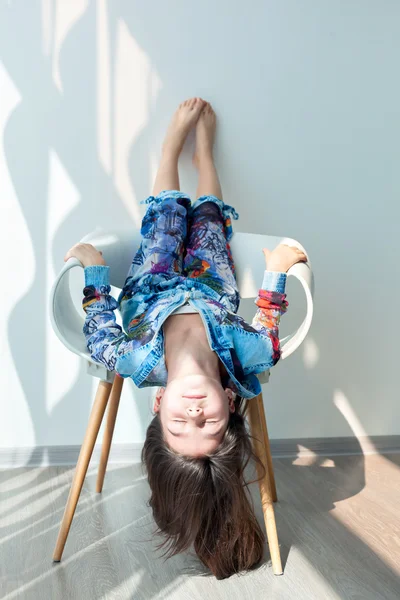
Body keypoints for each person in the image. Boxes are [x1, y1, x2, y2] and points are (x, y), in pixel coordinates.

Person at [65, 97, 307, 578]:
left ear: (158, 409)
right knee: (211, 217)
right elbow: (269, 336)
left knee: (167, 217)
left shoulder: (137, 361)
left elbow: (99, 335)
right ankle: (206, 159)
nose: (195, 416)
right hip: (210, 282)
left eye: (180, 427)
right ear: (229, 403)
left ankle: (168, 156)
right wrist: (276, 273)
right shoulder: (245, 356)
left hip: (152, 282)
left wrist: (94, 269)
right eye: (210, 427)